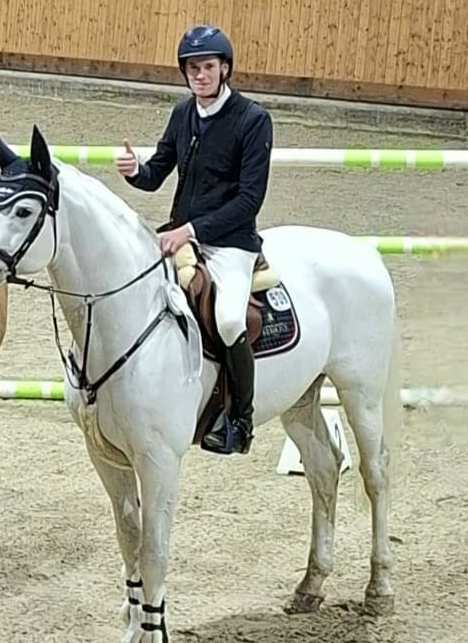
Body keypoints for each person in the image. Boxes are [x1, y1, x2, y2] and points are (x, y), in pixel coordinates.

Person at [115, 24, 273, 455]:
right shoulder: (183, 114)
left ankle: (240, 420)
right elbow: (157, 173)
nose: (199, 75)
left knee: (227, 319)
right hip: (180, 236)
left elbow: (250, 199)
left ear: (225, 69)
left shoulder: (253, 120)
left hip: (232, 243)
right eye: (192, 68)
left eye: (207, 67)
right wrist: (135, 171)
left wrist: (194, 230)